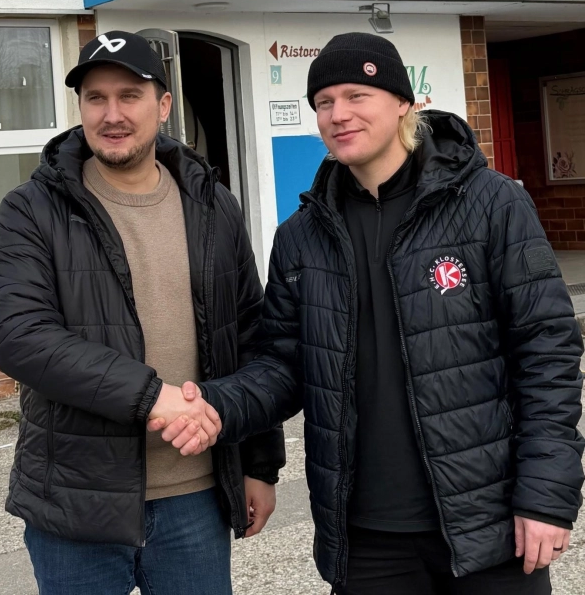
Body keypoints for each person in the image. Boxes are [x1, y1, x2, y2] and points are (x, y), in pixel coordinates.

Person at [155, 32, 584, 594]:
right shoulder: (301, 237)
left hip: (487, 525)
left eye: (358, 95)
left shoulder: (491, 204)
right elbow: (283, 366)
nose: (339, 114)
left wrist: (545, 495)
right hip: (365, 536)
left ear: (403, 102)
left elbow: (546, 353)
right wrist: (212, 404)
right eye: (325, 102)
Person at [0, 31, 284, 595]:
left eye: (130, 95)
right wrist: (153, 396)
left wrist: (259, 465)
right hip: (77, 505)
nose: (112, 114)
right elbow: (21, 337)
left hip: (194, 500)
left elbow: (250, 336)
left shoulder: (210, 202)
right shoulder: (32, 209)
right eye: (96, 98)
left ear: (164, 105)